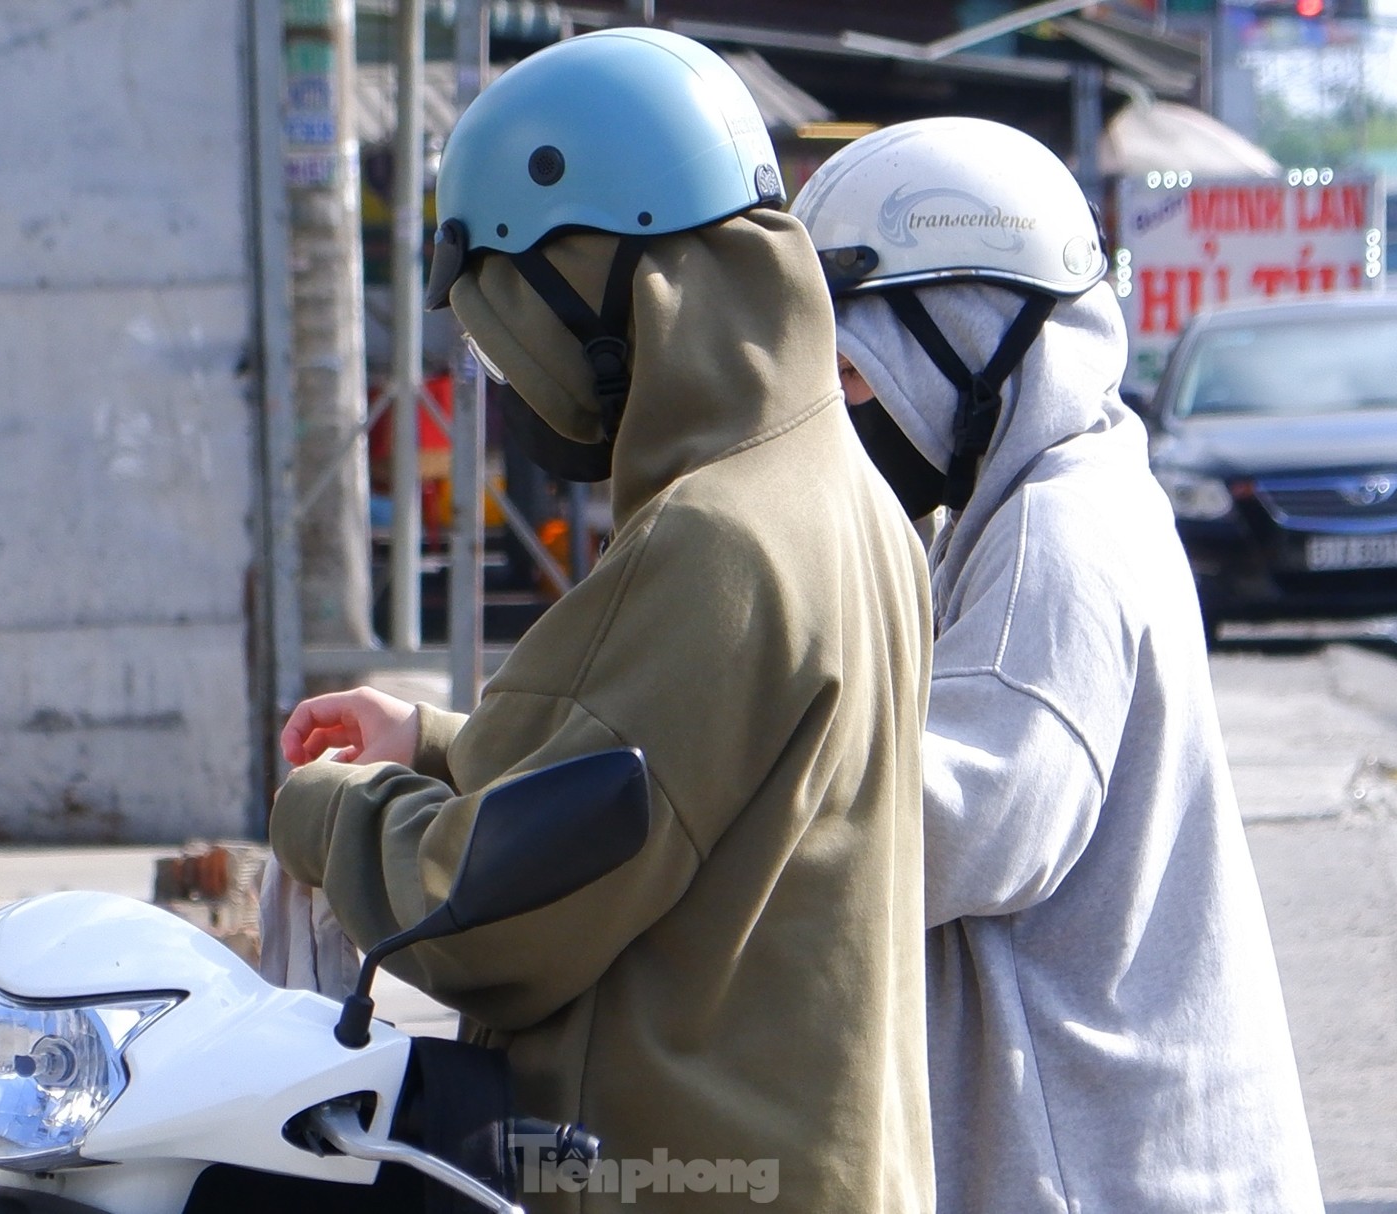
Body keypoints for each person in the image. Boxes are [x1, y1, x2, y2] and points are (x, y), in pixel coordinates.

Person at [269, 28, 936, 1214]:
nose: (503, 373)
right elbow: (674, 780)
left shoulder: (712, 539)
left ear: (597, 272)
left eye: (497, 322)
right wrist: (431, 742)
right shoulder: (839, 490)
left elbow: (494, 919)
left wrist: (333, 808)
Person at [793, 116, 1325, 1214]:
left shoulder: (1055, 529)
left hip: (1095, 1170)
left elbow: (960, 830)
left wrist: (680, 796)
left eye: (856, 365)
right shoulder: (1042, 498)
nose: (844, 405)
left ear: (972, 331)